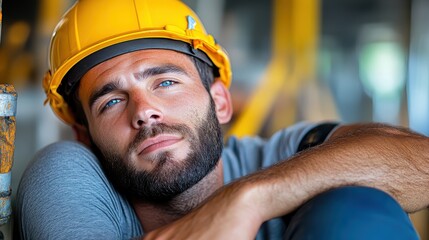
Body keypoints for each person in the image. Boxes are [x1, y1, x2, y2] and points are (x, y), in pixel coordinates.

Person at [15, 0, 428, 239]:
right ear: (83, 136)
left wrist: (248, 200)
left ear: (221, 102)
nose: (144, 112)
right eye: (111, 102)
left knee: (355, 206)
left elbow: (421, 164)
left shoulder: (275, 157)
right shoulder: (66, 176)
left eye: (165, 83)